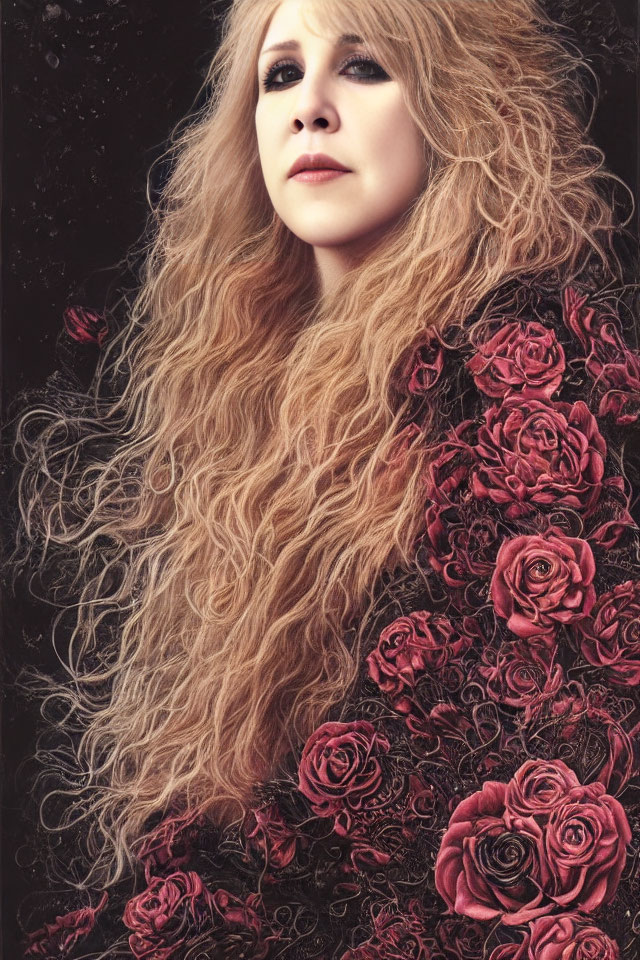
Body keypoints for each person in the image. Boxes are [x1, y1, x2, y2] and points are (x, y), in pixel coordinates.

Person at [11, 0, 640, 957]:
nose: (308, 106)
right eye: (279, 75)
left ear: (456, 101)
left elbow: (457, 811)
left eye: (364, 66)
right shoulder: (245, 389)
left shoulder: (520, 364)